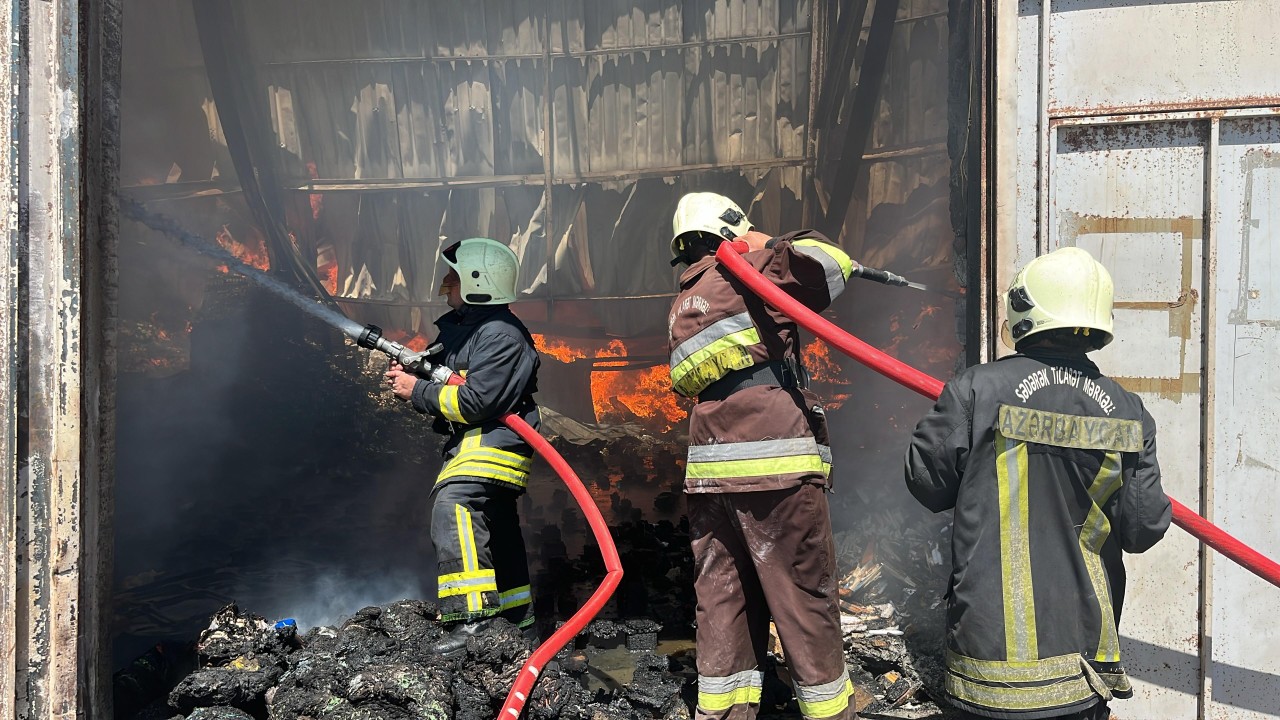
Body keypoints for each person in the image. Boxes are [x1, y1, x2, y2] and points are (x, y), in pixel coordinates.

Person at [904, 247, 1172, 720]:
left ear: (1025, 312)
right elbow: (1144, 528)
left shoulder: (976, 389)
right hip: (1081, 666)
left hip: (987, 667)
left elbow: (927, 483)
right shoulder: (1129, 411)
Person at [665, 192, 859, 720]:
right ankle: (828, 713)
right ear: (730, 232)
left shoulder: (684, 303)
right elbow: (831, 264)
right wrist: (766, 244)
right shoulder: (752, 271)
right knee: (803, 601)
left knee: (722, 602)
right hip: (776, 475)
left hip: (710, 481)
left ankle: (725, 713)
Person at [384, 237, 541, 656]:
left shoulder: (501, 335)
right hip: (475, 444)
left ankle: (472, 621)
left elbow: (476, 401)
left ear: (477, 281)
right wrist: (421, 373)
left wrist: (415, 391)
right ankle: (517, 628)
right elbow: (458, 382)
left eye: (453, 277)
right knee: (496, 528)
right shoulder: (474, 331)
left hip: (491, 446)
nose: (446, 284)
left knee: (453, 508)